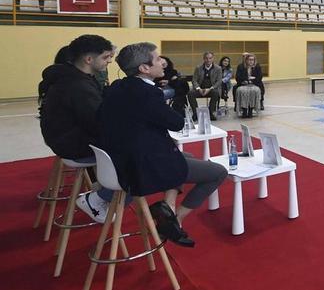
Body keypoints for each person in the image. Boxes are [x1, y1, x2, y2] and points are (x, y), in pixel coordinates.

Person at [99, 42, 227, 247]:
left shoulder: (119, 87)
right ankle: (176, 220)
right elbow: (176, 122)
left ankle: (168, 209)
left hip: (122, 158)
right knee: (218, 172)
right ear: (144, 68)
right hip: (142, 165)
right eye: (158, 59)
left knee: (187, 157)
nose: (162, 62)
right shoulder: (148, 93)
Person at [39, 34, 116, 223]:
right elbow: (97, 123)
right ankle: (100, 197)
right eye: (106, 57)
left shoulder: (72, 76)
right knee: (139, 151)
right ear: (88, 59)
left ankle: (103, 185)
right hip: (71, 143)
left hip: (63, 138)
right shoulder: (77, 85)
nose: (109, 61)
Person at [187, 51, 221, 120]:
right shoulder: (198, 68)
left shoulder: (218, 68)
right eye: (206, 58)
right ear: (203, 59)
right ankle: (195, 113)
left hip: (211, 89)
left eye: (210, 58)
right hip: (200, 89)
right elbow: (194, 80)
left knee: (216, 93)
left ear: (213, 59)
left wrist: (210, 89)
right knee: (190, 93)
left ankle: (211, 113)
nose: (208, 60)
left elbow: (219, 81)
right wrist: (198, 88)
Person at [235, 53, 263, 118]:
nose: (251, 61)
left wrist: (251, 81)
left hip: (254, 84)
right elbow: (238, 77)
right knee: (242, 91)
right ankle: (244, 109)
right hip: (243, 84)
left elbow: (259, 77)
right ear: (246, 60)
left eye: (252, 60)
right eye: (249, 60)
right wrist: (245, 81)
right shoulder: (241, 66)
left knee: (254, 91)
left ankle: (251, 109)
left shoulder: (257, 67)